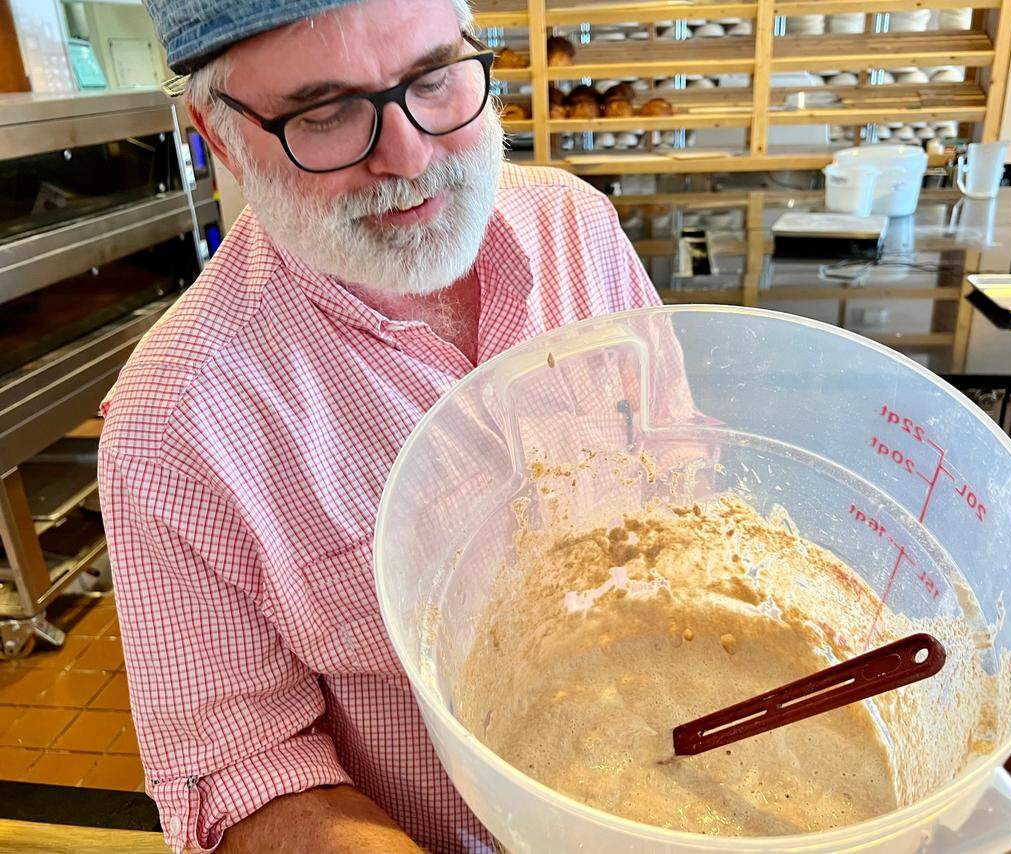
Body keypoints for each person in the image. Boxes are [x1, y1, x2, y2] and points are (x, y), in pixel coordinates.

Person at [98, 1, 662, 851]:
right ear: (219, 137)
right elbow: (246, 772)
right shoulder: (176, 428)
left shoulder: (576, 231)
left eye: (435, 79)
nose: (409, 154)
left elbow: (682, 473)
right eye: (325, 116)